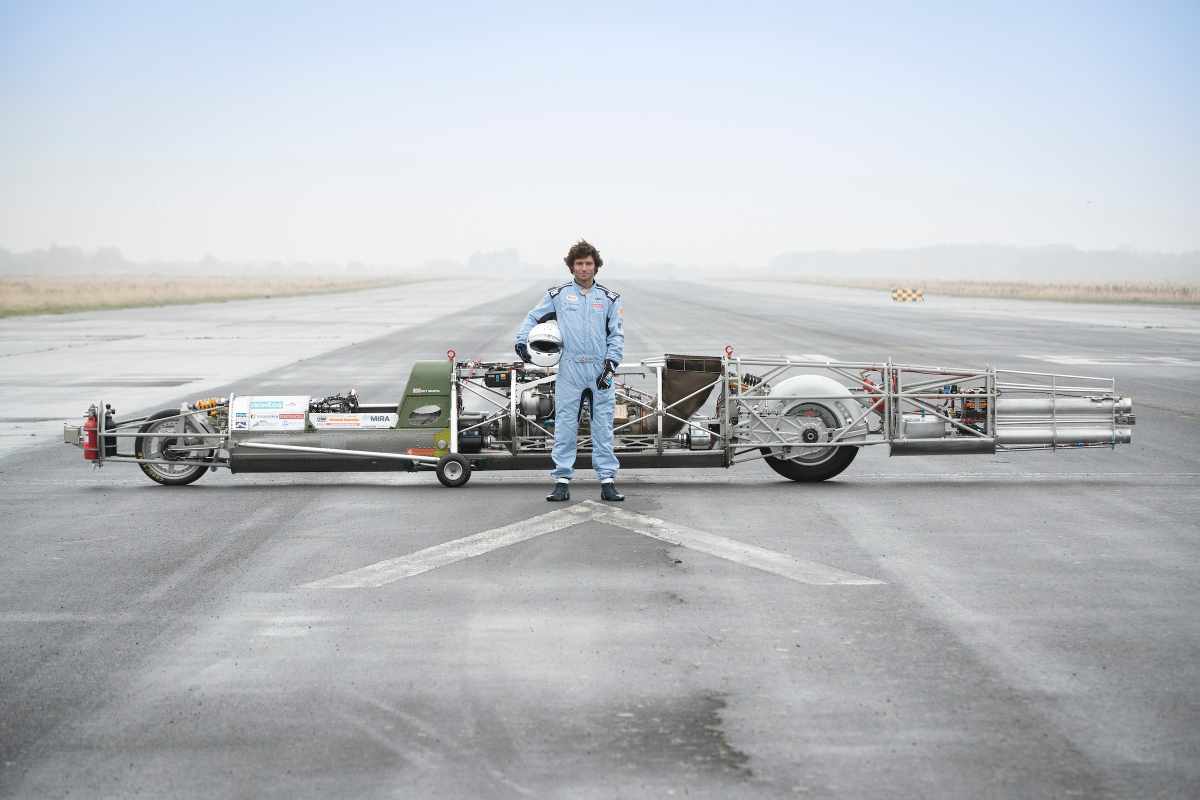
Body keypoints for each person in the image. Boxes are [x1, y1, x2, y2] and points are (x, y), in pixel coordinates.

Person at [515, 239, 625, 502]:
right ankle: (562, 482)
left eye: (588, 263)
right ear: (571, 267)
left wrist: (611, 365)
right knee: (565, 426)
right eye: (579, 264)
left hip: (600, 371)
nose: (584, 268)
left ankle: (607, 482)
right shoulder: (559, 295)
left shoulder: (609, 298)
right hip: (570, 371)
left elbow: (616, 335)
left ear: (596, 266)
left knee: (603, 428)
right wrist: (521, 341)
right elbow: (532, 316)